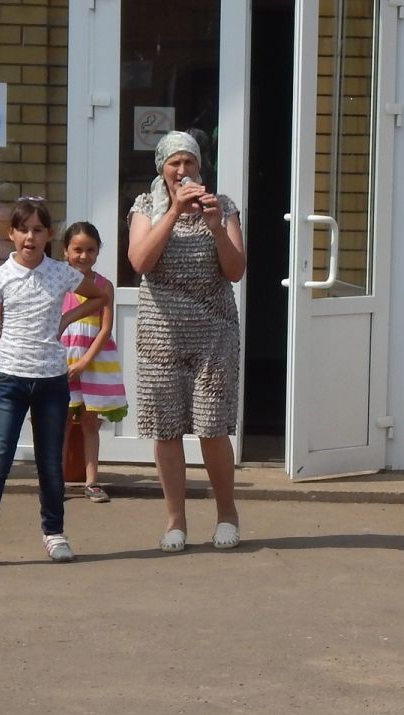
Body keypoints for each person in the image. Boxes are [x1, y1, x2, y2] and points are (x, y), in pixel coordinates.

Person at [0, 198, 106, 571]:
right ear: (11, 234)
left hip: (52, 381)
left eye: (38, 230)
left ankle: (54, 533)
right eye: (23, 229)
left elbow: (102, 294)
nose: (30, 237)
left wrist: (69, 316)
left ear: (48, 235)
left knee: (50, 464)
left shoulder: (61, 272)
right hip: (8, 381)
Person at [126, 132, 247, 552]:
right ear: (162, 169)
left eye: (189, 163)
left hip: (214, 334)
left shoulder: (224, 206)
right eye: (174, 163)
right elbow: (140, 261)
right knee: (166, 429)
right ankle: (176, 521)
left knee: (213, 428)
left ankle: (227, 515)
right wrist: (174, 211)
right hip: (161, 336)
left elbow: (235, 271)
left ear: (200, 167)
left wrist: (216, 228)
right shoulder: (145, 207)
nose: (182, 171)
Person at [60, 221, 126, 502]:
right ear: (65, 251)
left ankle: (92, 481)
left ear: (98, 252)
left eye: (91, 250)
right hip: (62, 358)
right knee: (59, 422)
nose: (83, 256)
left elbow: (105, 328)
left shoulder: (104, 285)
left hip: (93, 362)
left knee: (90, 422)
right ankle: (55, 482)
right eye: (77, 249)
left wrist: (85, 361)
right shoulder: (57, 281)